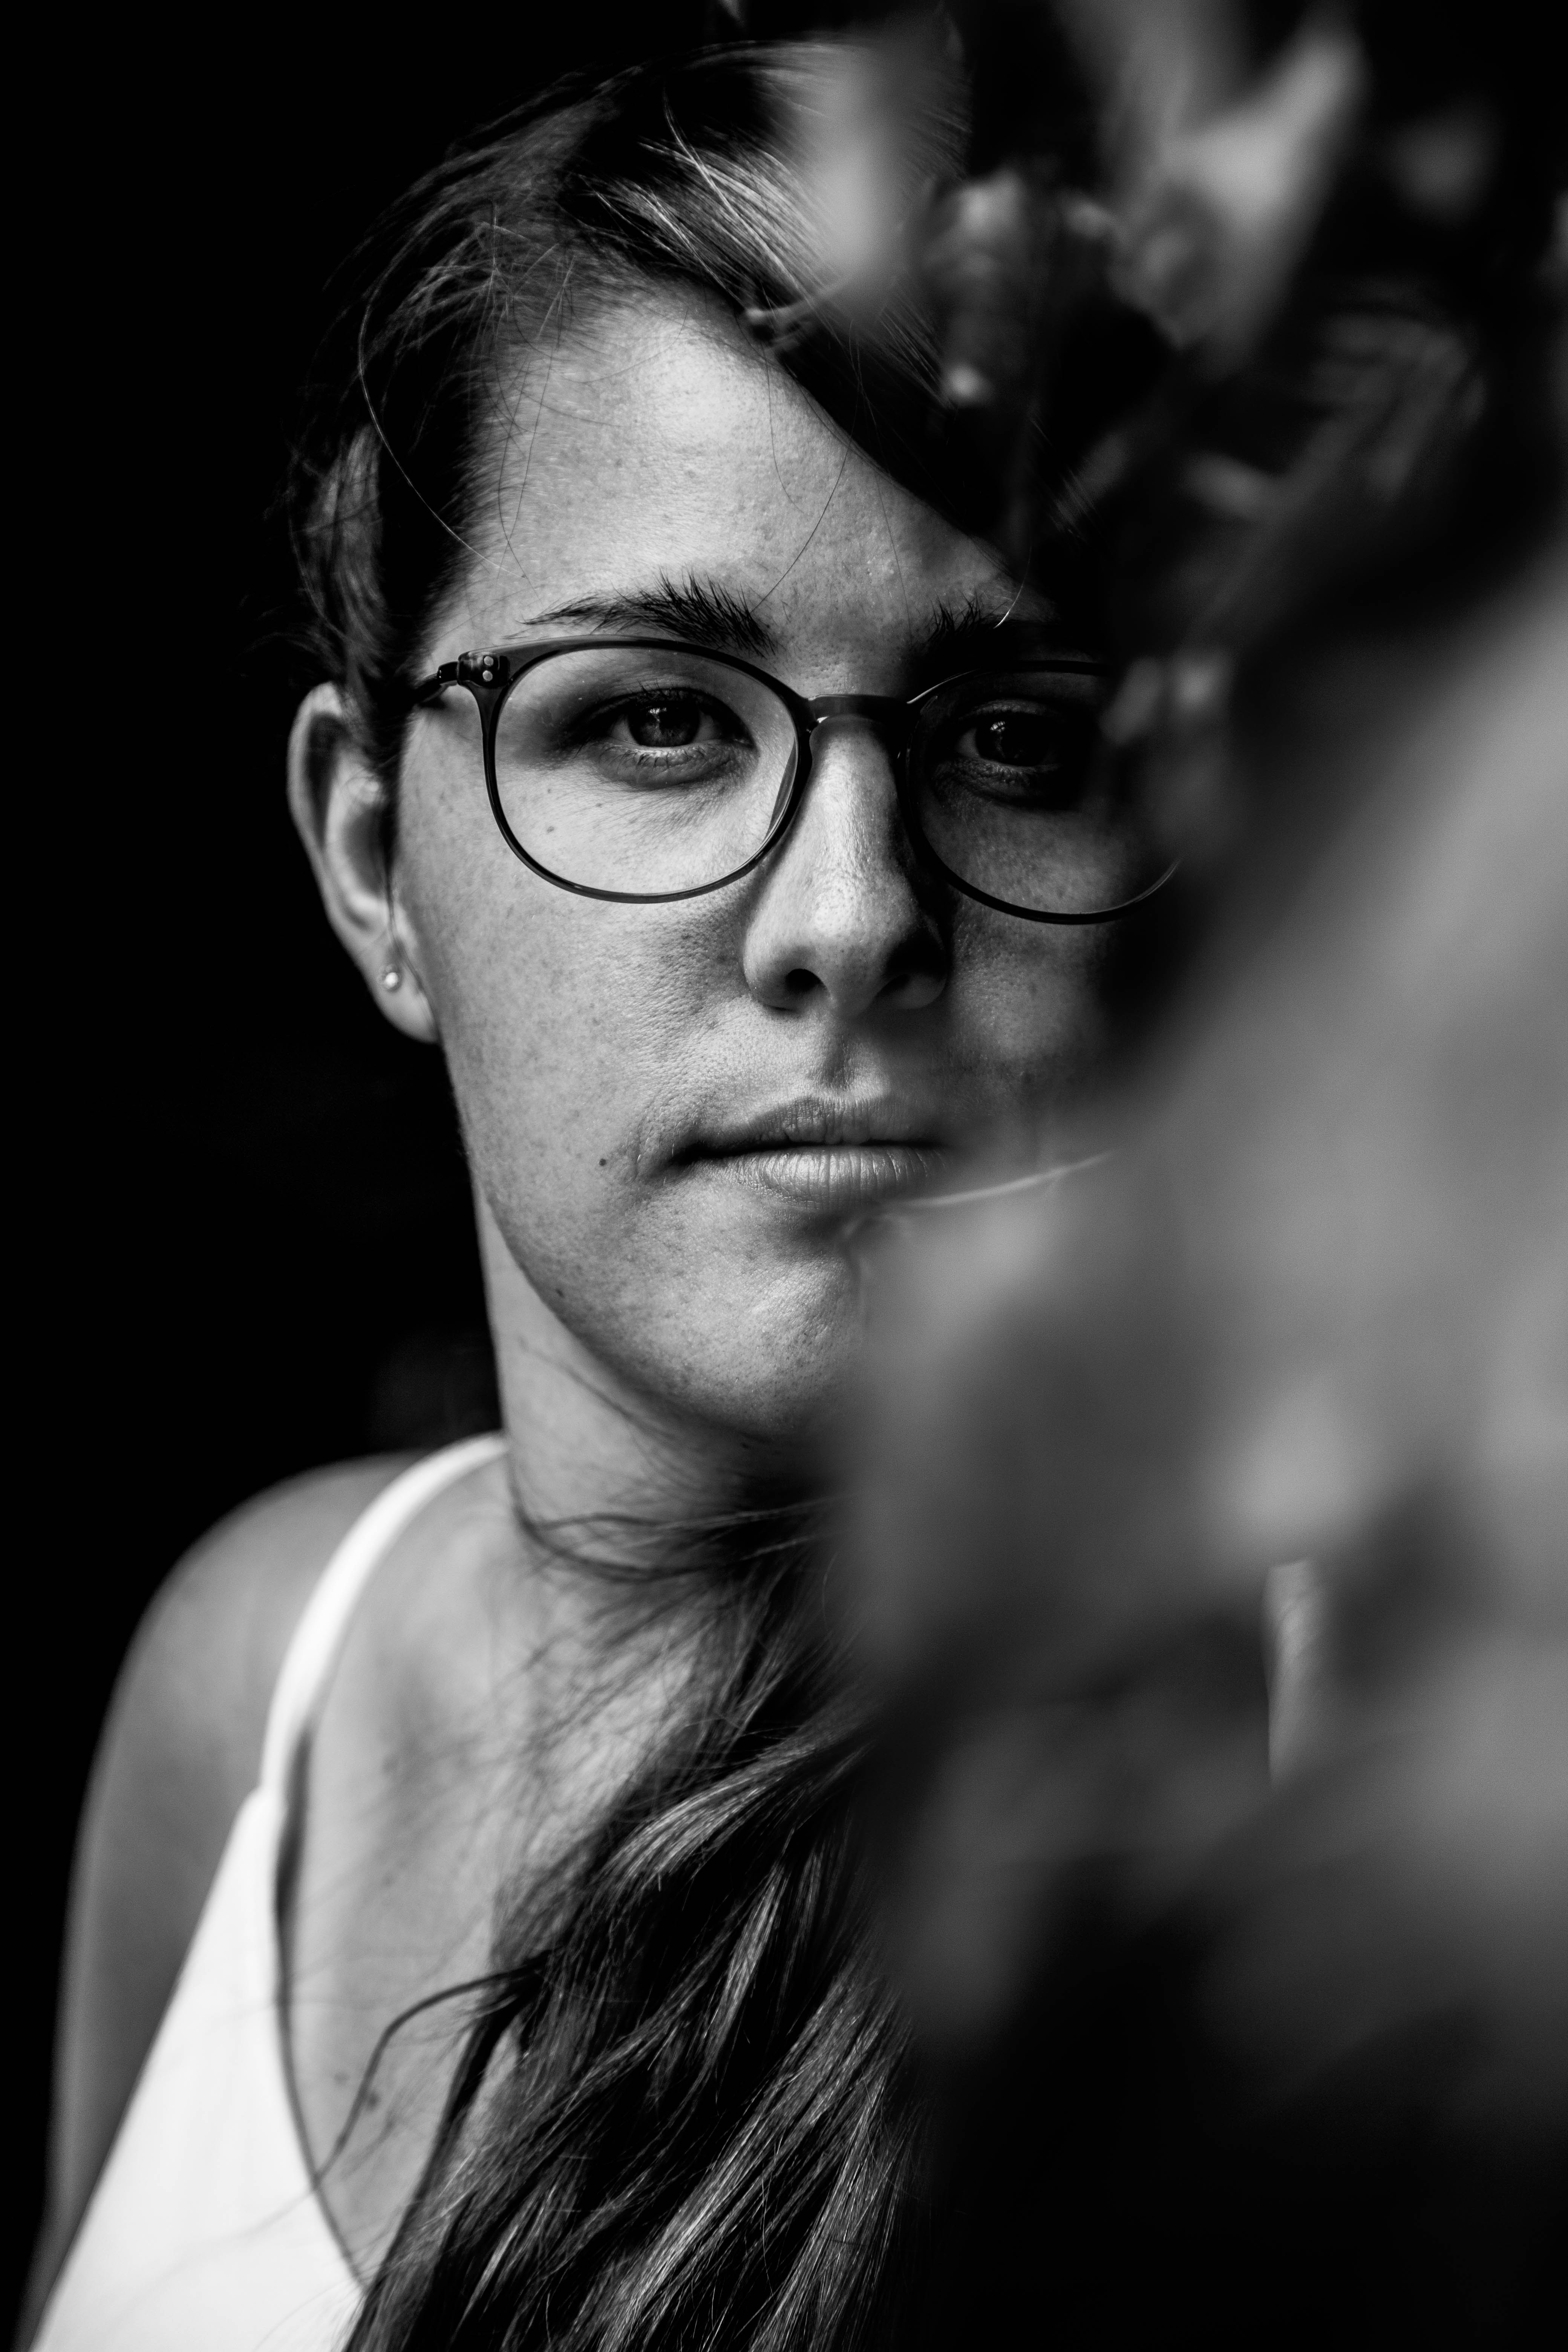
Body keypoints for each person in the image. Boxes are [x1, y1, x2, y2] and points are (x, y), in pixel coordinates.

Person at [26, 41, 1171, 2351]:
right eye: (656, 718)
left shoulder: (1329, 1852)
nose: (852, 916)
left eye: (1021, 735)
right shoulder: (263, 1685)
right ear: (374, 859)